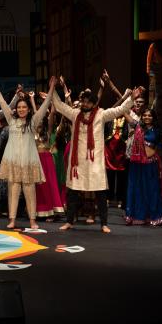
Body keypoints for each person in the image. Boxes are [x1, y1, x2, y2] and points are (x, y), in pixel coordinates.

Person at [52, 83, 142, 233]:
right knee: (72, 192)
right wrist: (53, 91)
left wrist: (131, 98)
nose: (84, 104)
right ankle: (69, 222)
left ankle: (104, 224)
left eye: (88, 102)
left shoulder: (101, 114)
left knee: (100, 193)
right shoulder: (75, 114)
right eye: (83, 101)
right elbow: (60, 106)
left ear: (93, 103)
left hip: (94, 162)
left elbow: (119, 109)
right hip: (78, 162)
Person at [0, 75, 55, 229]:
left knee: (30, 191)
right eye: (19, 107)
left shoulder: (33, 122)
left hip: (28, 161)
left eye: (24, 107)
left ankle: (32, 221)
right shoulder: (11, 121)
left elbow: (45, 105)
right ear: (16, 109)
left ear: (28, 109)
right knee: (13, 191)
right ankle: (12, 220)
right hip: (13, 162)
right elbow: (2, 102)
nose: (21, 109)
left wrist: (51, 87)